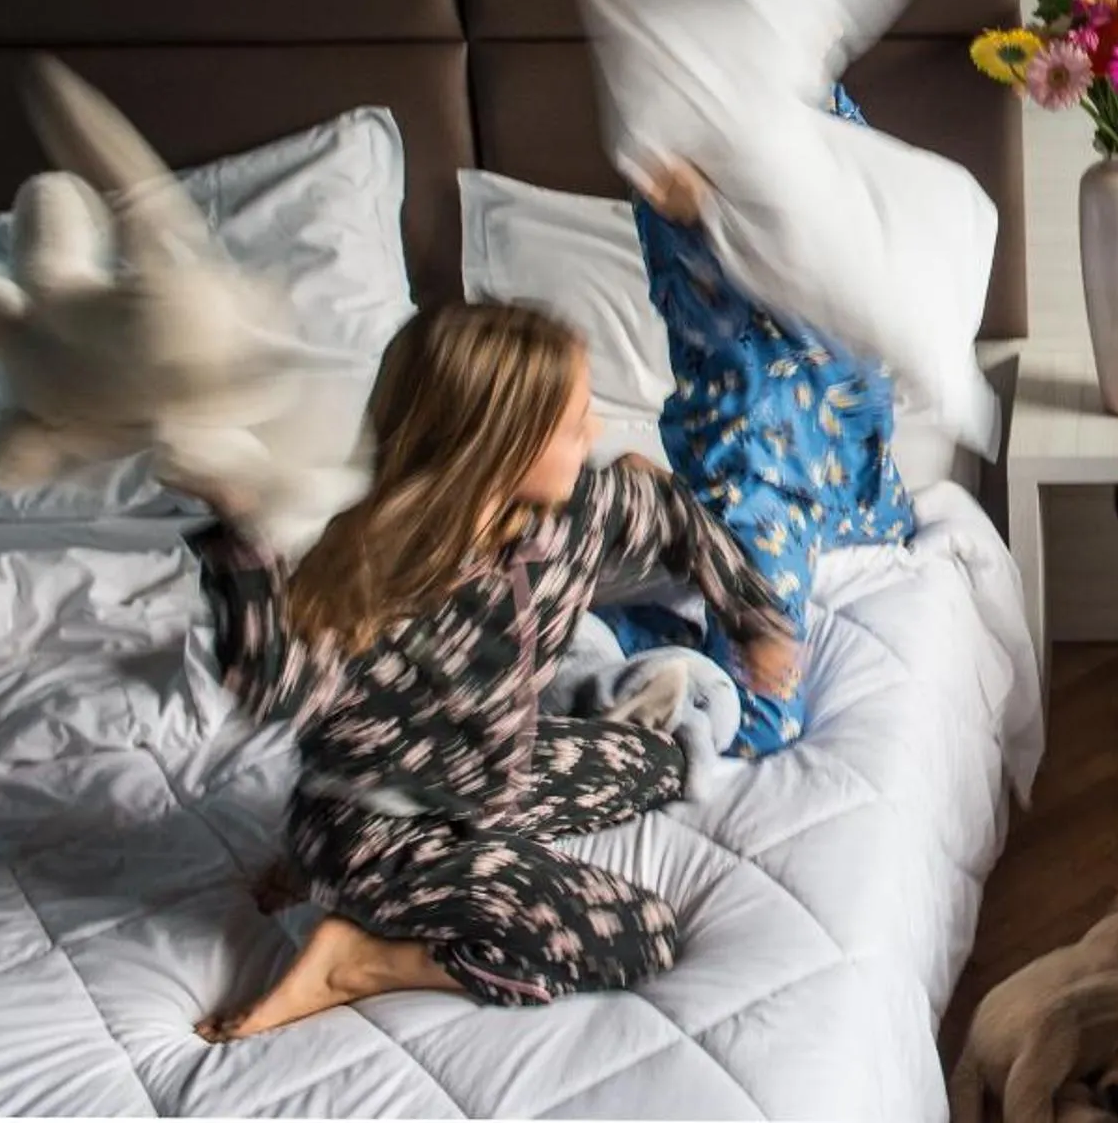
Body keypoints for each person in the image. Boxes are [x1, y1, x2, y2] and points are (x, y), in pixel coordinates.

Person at [176, 301, 800, 1041]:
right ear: (499, 444)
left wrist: (753, 619)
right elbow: (273, 686)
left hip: (488, 779)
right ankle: (356, 959)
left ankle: (322, 874)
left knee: (662, 761)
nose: (595, 435)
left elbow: (673, 517)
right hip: (380, 830)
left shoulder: (580, 515)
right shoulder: (369, 566)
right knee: (641, 934)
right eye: (575, 424)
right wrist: (245, 541)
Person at [625, 101, 916, 757]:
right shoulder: (671, 147)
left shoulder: (823, 102)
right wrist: (699, 216)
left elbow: (883, 247)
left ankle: (664, 525)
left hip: (855, 471)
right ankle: (592, 632)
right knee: (759, 725)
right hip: (756, 477)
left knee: (902, 530)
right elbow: (710, 328)